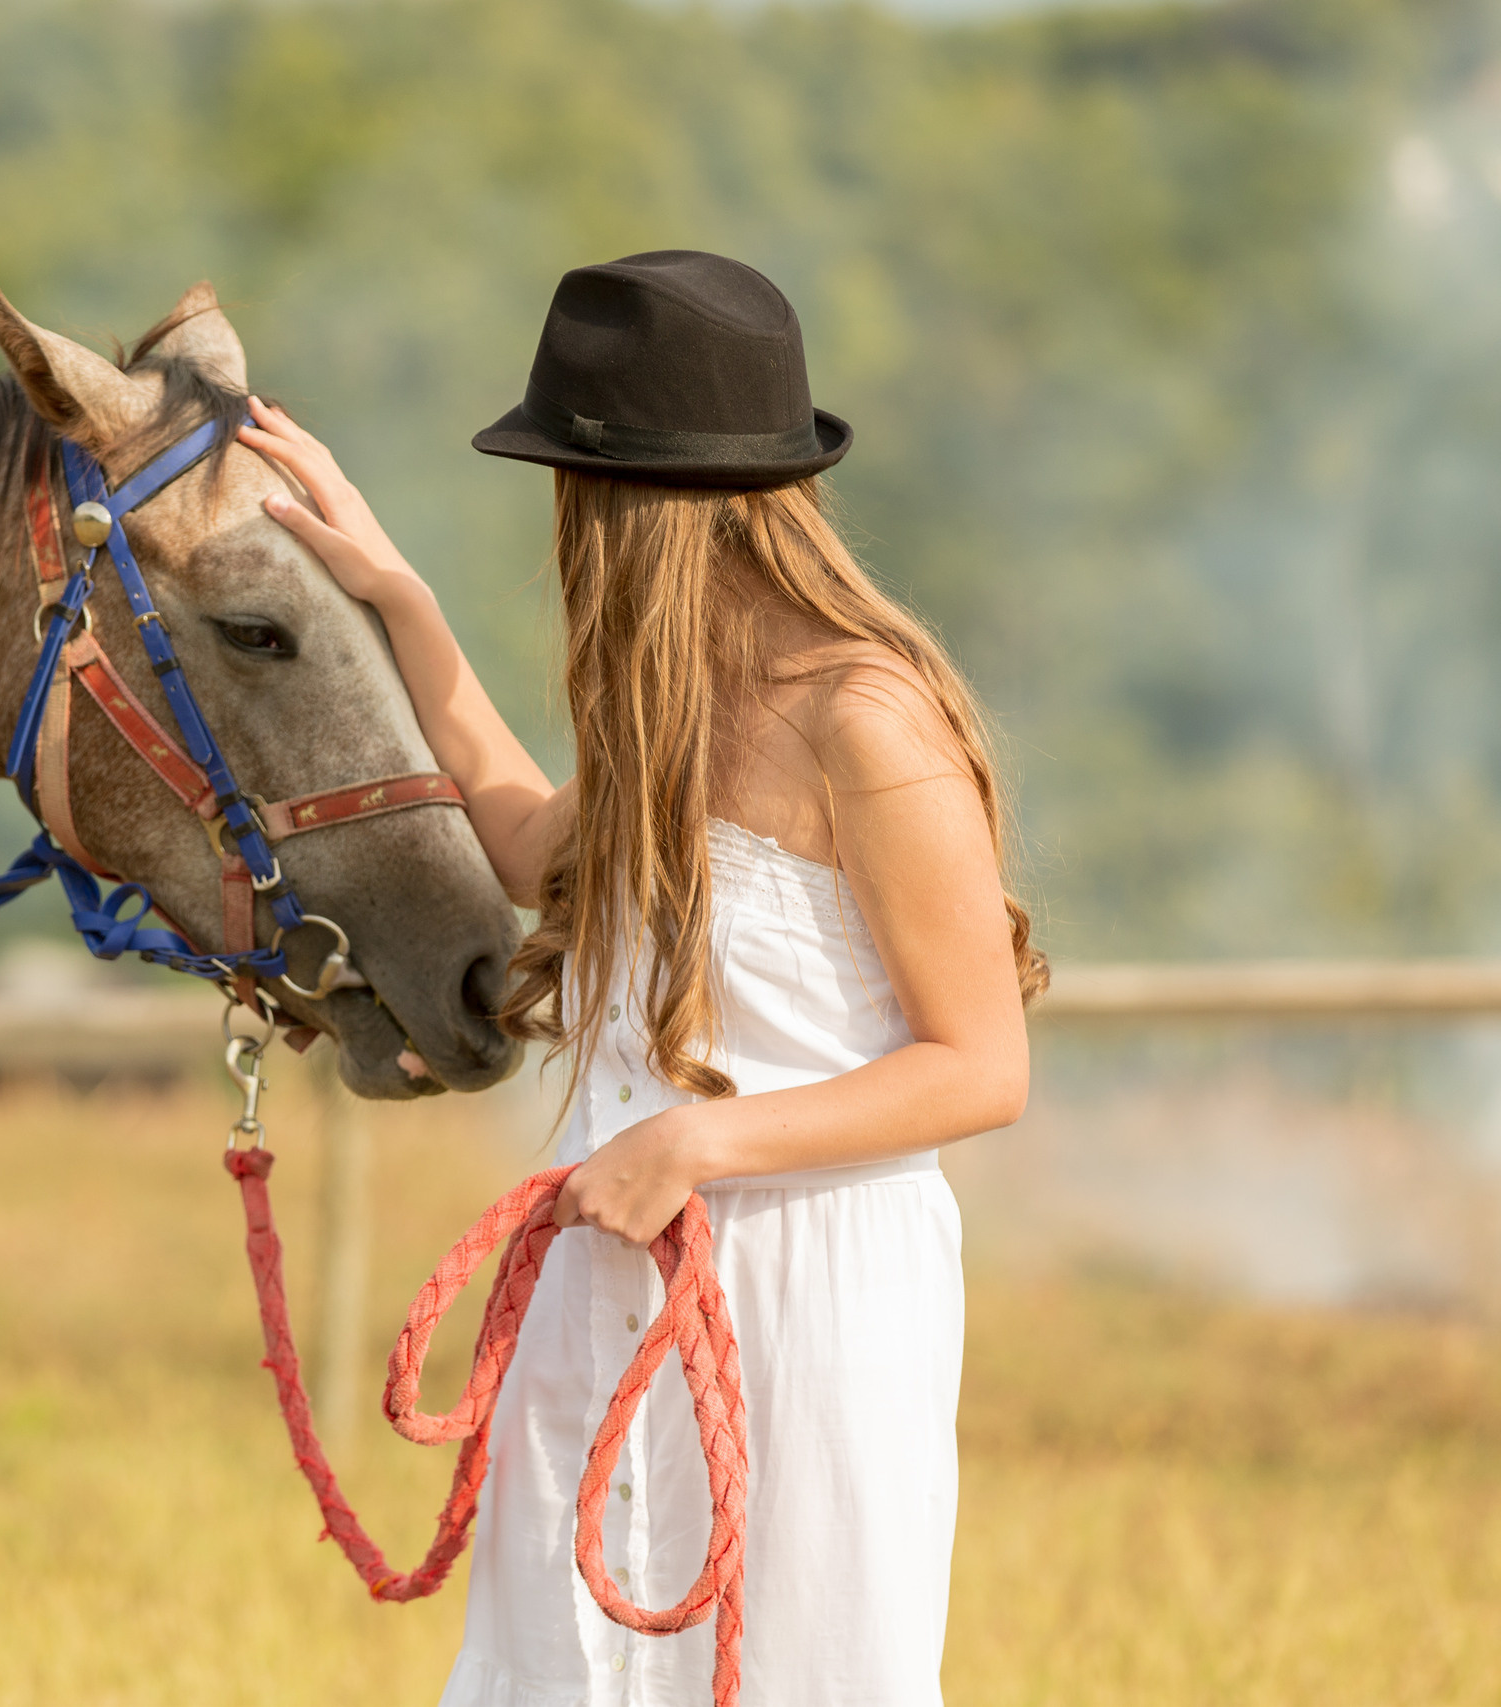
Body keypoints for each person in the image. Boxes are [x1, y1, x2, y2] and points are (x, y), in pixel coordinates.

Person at [239, 250, 1044, 1706]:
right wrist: (401, 602)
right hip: (615, 1279)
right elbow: (525, 846)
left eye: (571, 485)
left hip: (806, 1301)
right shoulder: (670, 717)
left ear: (625, 505)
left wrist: (694, 1142)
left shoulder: (866, 718)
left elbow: (980, 1067)